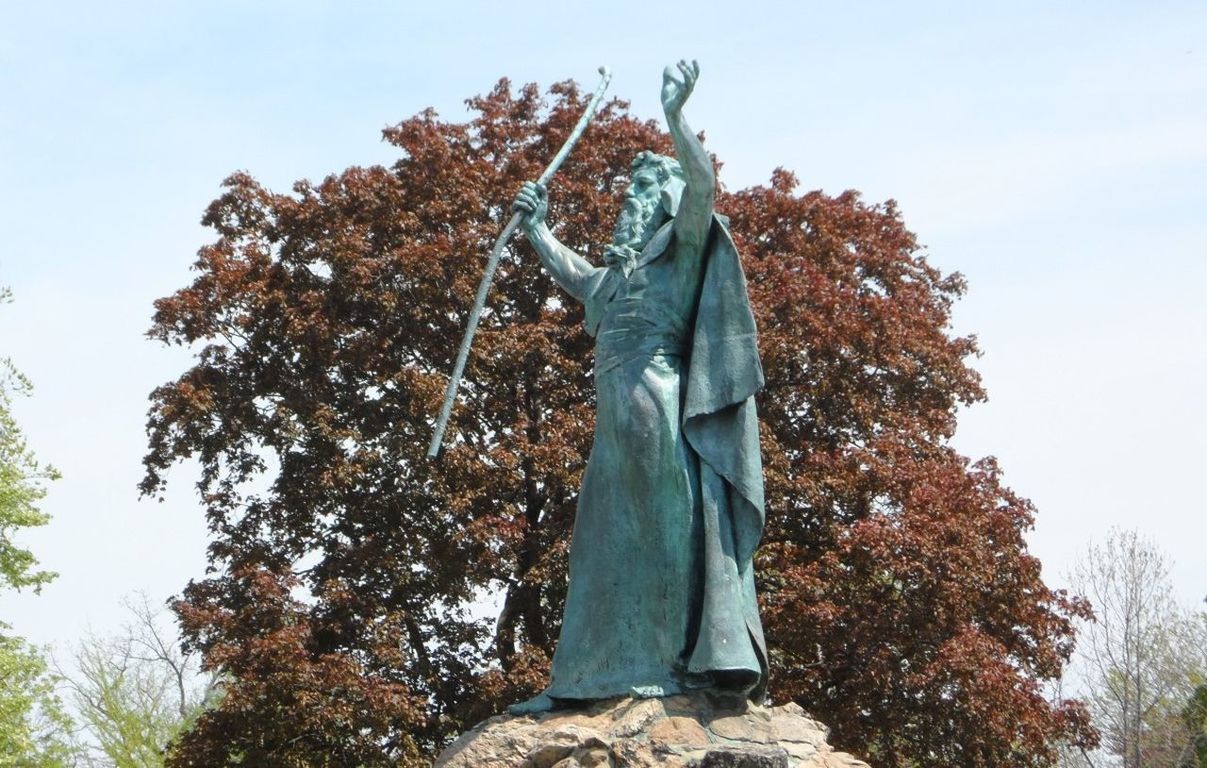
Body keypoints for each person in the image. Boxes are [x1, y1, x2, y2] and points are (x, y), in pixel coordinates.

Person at [509, 61, 767, 713]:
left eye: (649, 186)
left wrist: (675, 120)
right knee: (598, 554)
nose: (635, 195)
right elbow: (574, 273)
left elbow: (704, 187)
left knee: (661, 544)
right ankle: (590, 676)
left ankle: (670, 669)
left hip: (659, 417)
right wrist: (538, 227)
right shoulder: (617, 276)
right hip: (612, 441)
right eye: (636, 187)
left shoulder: (680, 255)